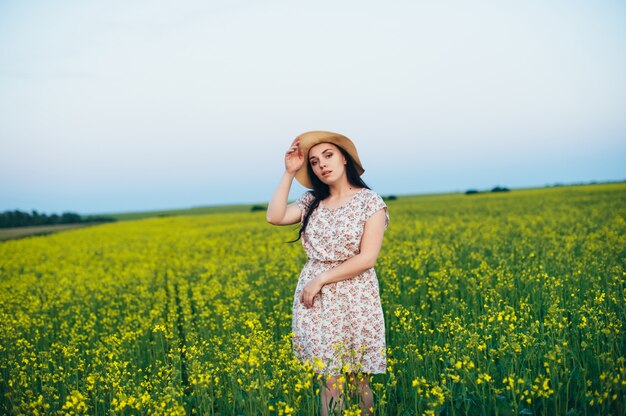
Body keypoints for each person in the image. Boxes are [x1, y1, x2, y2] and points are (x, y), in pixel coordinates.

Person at [266, 131, 389, 415]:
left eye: (328, 155)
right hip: (317, 302)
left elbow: (367, 258)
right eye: (314, 161)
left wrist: (320, 280)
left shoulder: (370, 201)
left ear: (344, 158)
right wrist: (288, 173)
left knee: (359, 378)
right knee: (330, 380)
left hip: (355, 293)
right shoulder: (311, 202)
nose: (322, 164)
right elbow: (274, 216)